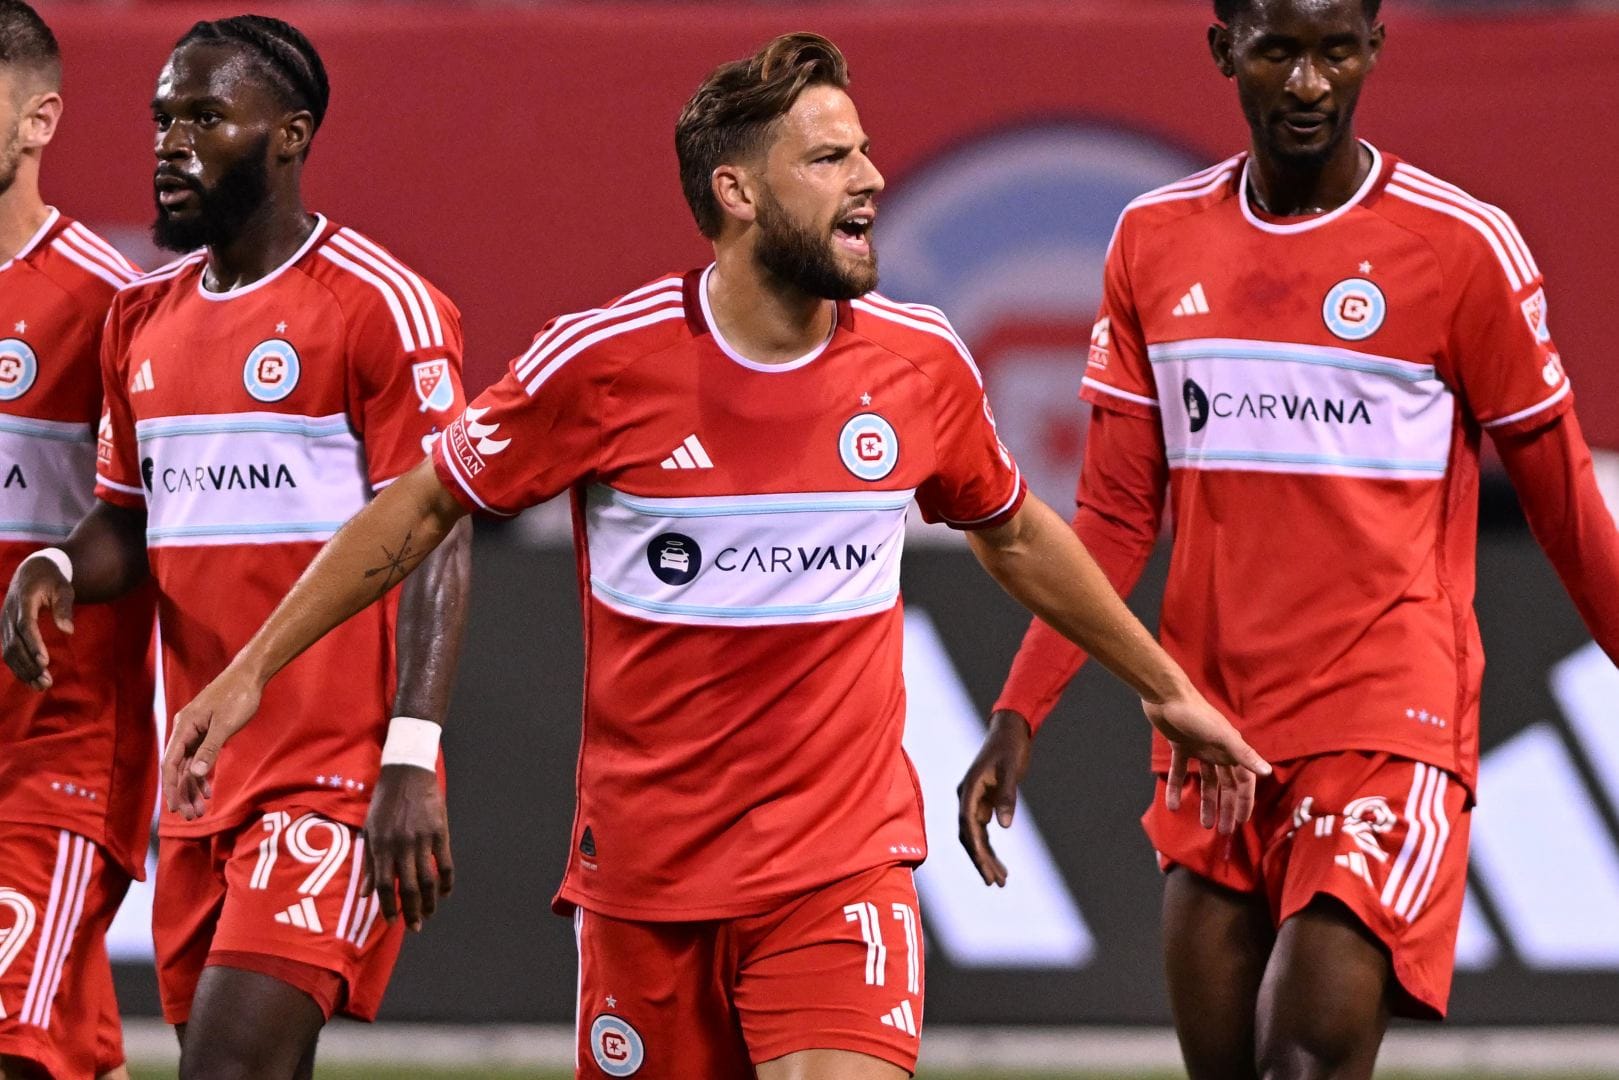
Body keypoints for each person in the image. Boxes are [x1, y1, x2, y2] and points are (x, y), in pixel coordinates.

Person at [158, 31, 1269, 1080]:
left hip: (839, 871)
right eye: (830, 158)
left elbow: (1017, 533)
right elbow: (417, 511)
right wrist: (253, 667)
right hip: (645, 886)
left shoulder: (921, 363)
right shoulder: (601, 364)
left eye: (867, 151)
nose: (870, 179)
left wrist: (1163, 689)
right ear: (737, 195)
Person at [957, 1, 1619, 1078]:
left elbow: (1562, 505)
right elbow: (1117, 515)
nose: (1308, 83)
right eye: (1277, 50)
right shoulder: (1152, 240)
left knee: (1300, 1063)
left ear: (1373, 48)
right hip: (1211, 729)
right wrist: (1019, 710)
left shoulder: (1457, 247)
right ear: (1223, 51)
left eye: (1335, 50)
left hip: (1383, 721)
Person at [1, 15, 472, 1080]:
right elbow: (128, 518)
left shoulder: (379, 306)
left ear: (290, 134)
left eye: (207, 117)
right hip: (204, 773)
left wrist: (409, 760)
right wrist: (62, 566)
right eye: (163, 116)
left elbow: (440, 525)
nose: (172, 142)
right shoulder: (142, 321)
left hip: (333, 775)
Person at [0, 5, 150, 1079]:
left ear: (38, 119)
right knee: (61, 1052)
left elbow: (149, 525)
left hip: (53, 752)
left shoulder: (110, 302)